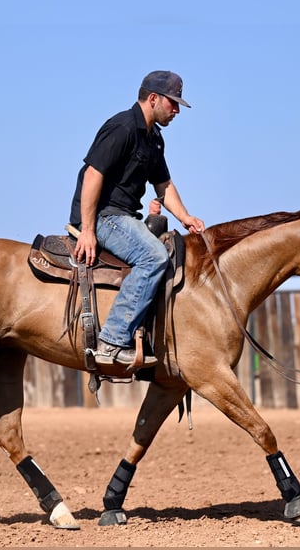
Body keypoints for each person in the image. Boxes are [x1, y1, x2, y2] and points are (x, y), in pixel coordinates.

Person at [69, 70, 205, 368]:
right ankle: (112, 340)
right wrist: (88, 230)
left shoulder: (154, 138)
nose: (177, 110)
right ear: (153, 98)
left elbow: (163, 185)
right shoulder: (122, 127)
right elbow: (93, 175)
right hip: (104, 216)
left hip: (125, 218)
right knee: (154, 257)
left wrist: (185, 217)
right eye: (173, 102)